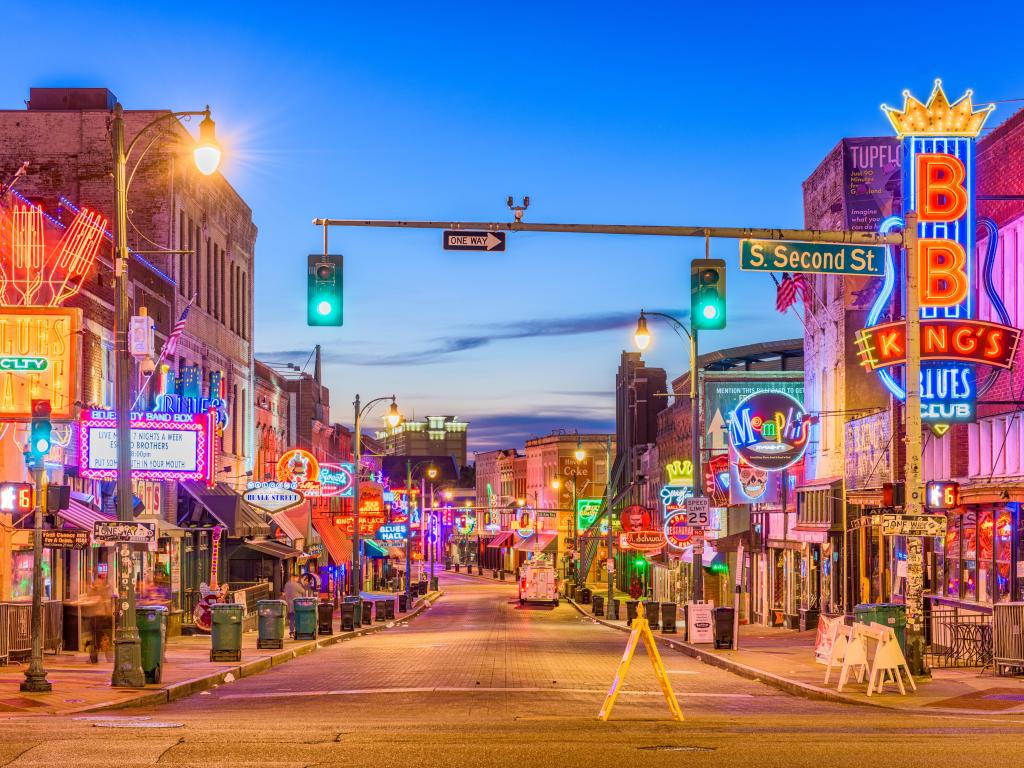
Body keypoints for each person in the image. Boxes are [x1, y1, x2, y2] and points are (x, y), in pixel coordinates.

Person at [84, 574, 116, 663]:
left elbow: (91, 599)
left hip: (97, 616)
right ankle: (102, 656)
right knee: (99, 637)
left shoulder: (98, 591)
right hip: (102, 616)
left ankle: (95, 657)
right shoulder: (105, 590)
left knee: (96, 637)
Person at [281, 573, 306, 638]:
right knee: (298, 619)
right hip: (297, 605)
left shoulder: (286, 584)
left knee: (292, 620)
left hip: (289, 605)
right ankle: (299, 631)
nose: (297, 579)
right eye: (297, 578)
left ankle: (291, 633)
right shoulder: (296, 585)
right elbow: (303, 591)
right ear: (293, 577)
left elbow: (285, 593)